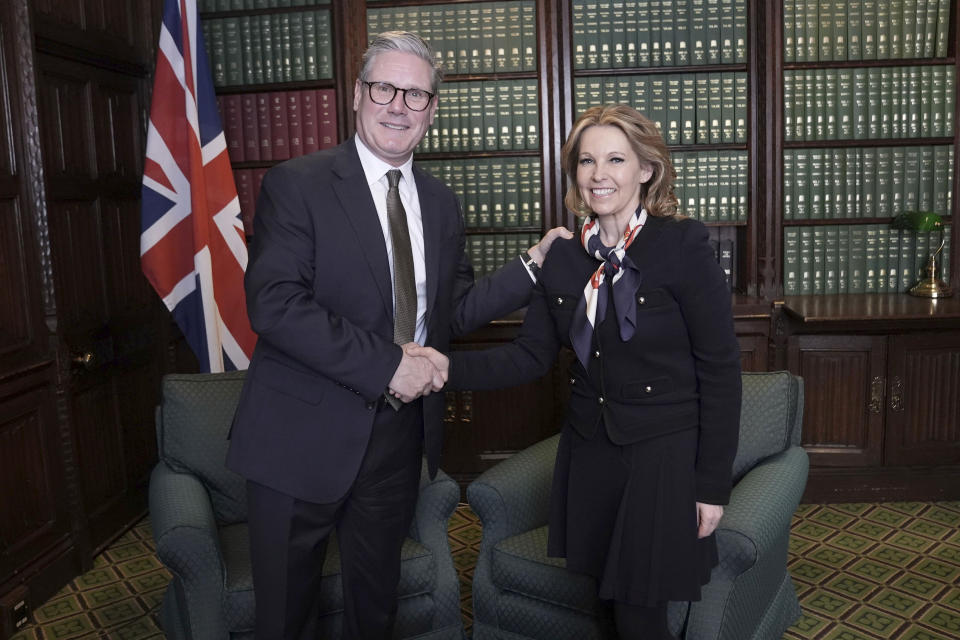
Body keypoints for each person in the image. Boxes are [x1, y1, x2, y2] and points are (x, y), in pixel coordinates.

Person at [226, 31, 570, 640]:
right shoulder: (297, 183)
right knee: (283, 617)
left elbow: (451, 313)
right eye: (385, 87)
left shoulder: (440, 204)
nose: (399, 105)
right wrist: (388, 363)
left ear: (432, 110)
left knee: (374, 607)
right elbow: (274, 305)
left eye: (416, 94)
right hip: (297, 439)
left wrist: (532, 265)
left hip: (394, 438)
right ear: (358, 96)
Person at [424, 104, 742, 639]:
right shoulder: (567, 259)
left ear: (646, 169)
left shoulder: (682, 245)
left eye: (616, 159)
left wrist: (711, 486)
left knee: (642, 616)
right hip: (590, 452)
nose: (599, 175)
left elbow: (721, 371)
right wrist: (442, 368)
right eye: (587, 161)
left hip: (661, 455)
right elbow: (529, 356)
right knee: (603, 606)